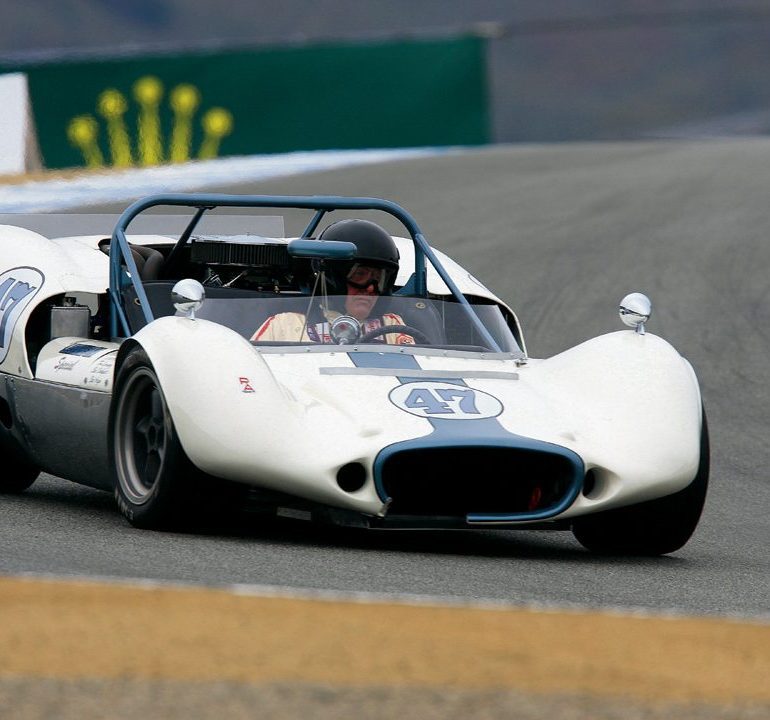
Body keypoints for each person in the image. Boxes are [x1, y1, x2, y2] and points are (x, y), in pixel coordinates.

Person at [251, 219, 415, 345]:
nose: (371, 287)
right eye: (360, 275)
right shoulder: (284, 325)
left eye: (378, 278)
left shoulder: (392, 327)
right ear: (333, 278)